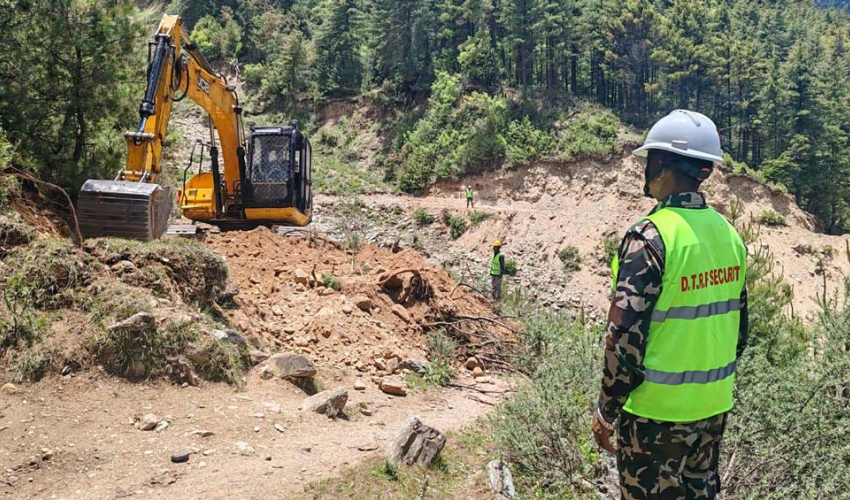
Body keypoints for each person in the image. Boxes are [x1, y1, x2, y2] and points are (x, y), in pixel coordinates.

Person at [593, 110, 748, 500]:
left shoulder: (650, 237)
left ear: (661, 165)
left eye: (649, 161)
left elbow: (623, 337)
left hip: (654, 417)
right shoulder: (729, 236)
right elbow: (740, 333)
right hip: (712, 409)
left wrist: (606, 410)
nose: (645, 170)